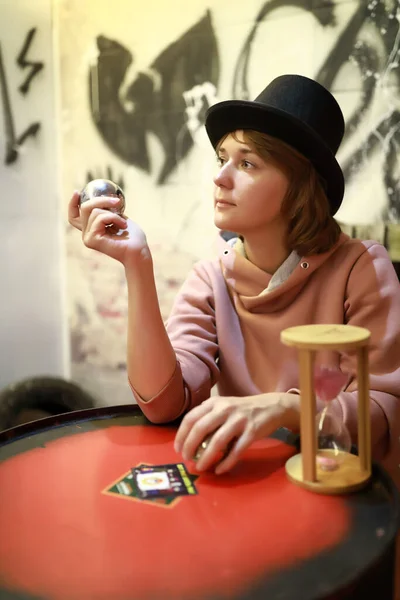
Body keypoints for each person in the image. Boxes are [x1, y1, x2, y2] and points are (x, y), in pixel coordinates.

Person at [68, 74, 400, 486]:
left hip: (342, 496)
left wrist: (282, 408)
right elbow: (161, 402)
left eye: (247, 163)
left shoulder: (360, 268)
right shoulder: (212, 278)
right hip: (247, 486)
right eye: (222, 158)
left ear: (300, 185)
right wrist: (137, 262)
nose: (221, 177)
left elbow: (386, 410)